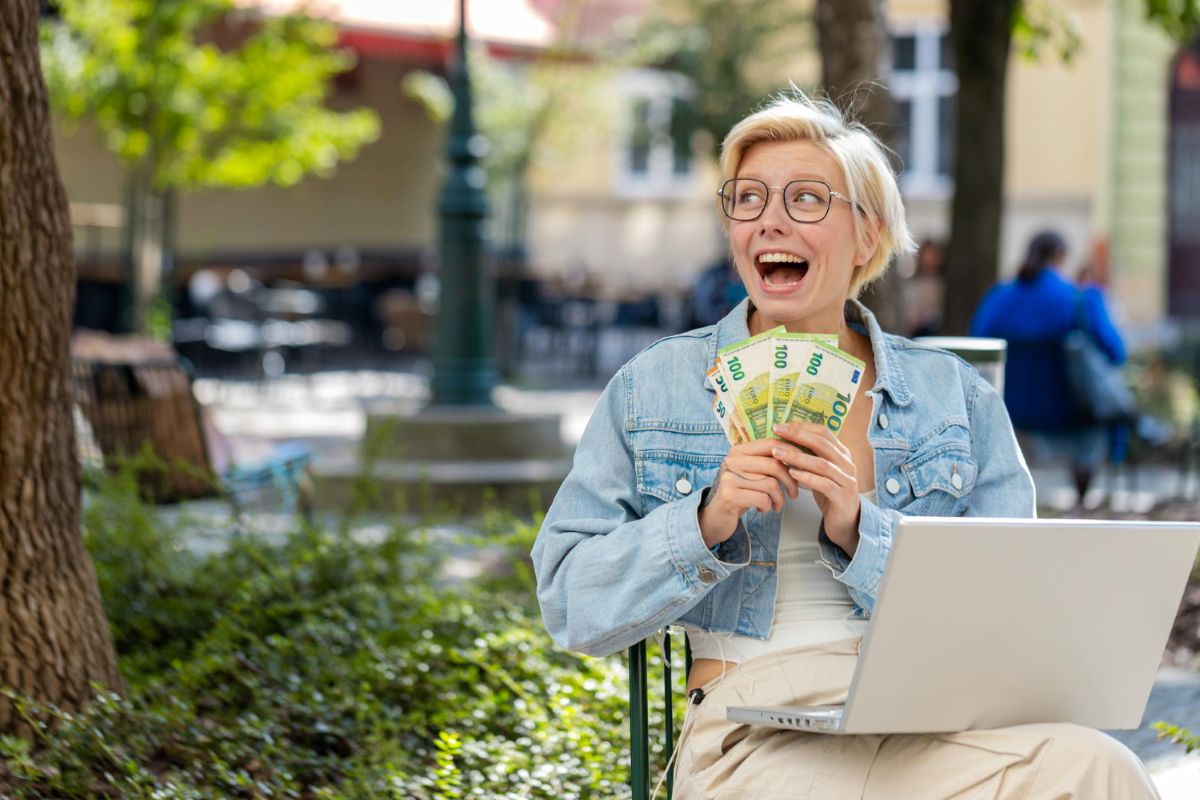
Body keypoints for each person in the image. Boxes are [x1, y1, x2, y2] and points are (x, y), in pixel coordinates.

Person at [532, 91, 1159, 798]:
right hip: (751, 729)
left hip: (926, 721)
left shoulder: (954, 396)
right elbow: (569, 602)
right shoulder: (655, 386)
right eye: (748, 198)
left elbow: (1010, 612)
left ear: (867, 236)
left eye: (805, 198)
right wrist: (705, 520)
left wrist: (864, 532)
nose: (769, 219)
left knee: (1102, 766)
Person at [971, 231, 1127, 509]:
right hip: (1070, 412)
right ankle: (1082, 500)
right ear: (1060, 257)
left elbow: (977, 344)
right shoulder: (1080, 300)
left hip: (1011, 409)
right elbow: (1117, 353)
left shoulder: (999, 298)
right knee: (1096, 414)